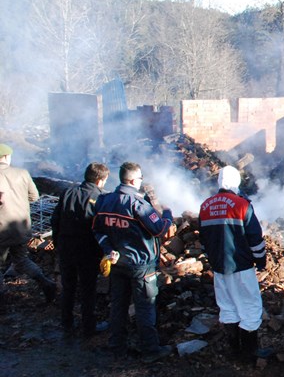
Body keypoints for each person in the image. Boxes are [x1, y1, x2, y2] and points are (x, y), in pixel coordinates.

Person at [92, 161, 174, 363]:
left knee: (118, 306)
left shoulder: (104, 201)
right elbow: (158, 230)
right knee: (145, 306)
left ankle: (117, 347)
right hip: (141, 265)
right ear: (132, 180)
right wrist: (168, 215)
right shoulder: (138, 205)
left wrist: (108, 249)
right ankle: (150, 350)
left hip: (118, 263)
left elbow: (97, 230)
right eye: (140, 179)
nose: (141, 182)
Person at [198, 165, 270, 362]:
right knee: (251, 307)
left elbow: (204, 240)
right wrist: (261, 261)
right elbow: (255, 238)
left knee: (228, 307)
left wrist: (213, 260)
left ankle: (234, 351)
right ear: (236, 182)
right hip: (241, 266)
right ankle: (250, 354)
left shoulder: (205, 206)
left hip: (219, 268)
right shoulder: (242, 205)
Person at [51, 162, 110, 339]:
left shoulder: (68, 192)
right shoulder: (100, 198)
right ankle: (88, 327)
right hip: (87, 251)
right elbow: (101, 228)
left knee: (68, 287)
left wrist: (57, 243)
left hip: (66, 248)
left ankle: (67, 323)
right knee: (87, 289)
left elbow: (55, 219)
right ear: (100, 180)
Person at [0, 142, 58, 310]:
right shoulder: (22, 173)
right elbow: (34, 197)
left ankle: (2, 303)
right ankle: (46, 283)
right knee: (22, 260)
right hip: (21, 228)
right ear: (6, 157)